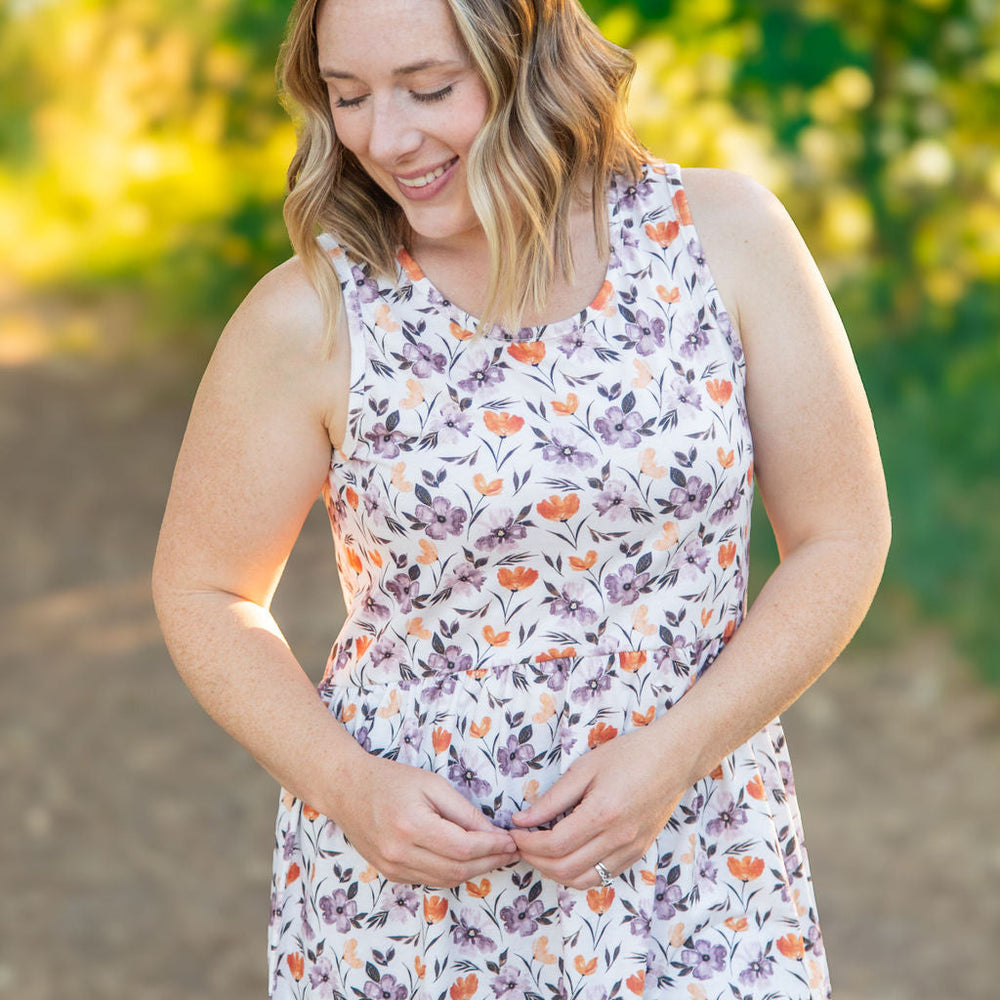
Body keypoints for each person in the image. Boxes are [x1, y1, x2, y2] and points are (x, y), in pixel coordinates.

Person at [151, 0, 890, 997]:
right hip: (409, 899)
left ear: (533, 58)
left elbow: (840, 535)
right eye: (349, 96)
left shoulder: (723, 239)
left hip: (701, 861)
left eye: (430, 88)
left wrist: (676, 752)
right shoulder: (313, 313)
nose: (387, 138)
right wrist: (348, 786)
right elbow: (205, 590)